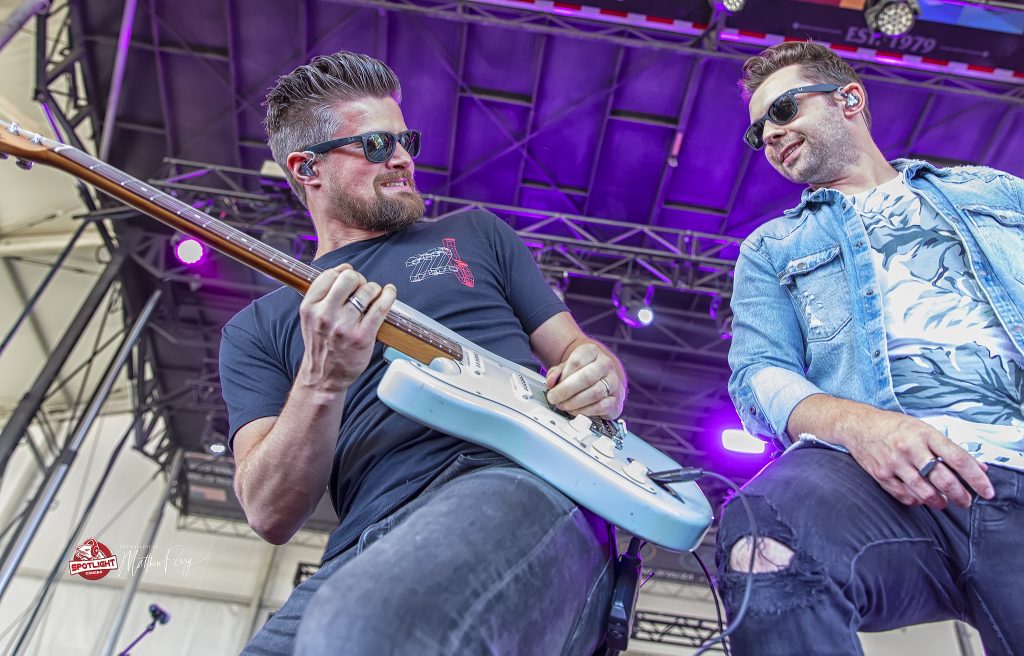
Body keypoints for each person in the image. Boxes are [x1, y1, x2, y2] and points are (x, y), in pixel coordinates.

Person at [218, 51, 626, 655]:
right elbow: (268, 511)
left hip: (513, 482)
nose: (406, 157)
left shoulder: (476, 234)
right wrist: (323, 380)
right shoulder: (256, 328)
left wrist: (601, 376)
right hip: (362, 543)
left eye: (405, 139)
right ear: (308, 168)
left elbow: (581, 354)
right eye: (379, 145)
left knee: (363, 631)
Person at [717, 41, 1024, 654]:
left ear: (849, 99)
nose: (770, 137)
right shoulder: (772, 246)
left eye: (782, 112)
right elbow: (758, 375)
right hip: (881, 482)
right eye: (759, 133)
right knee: (762, 540)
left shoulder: (995, 193)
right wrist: (863, 427)